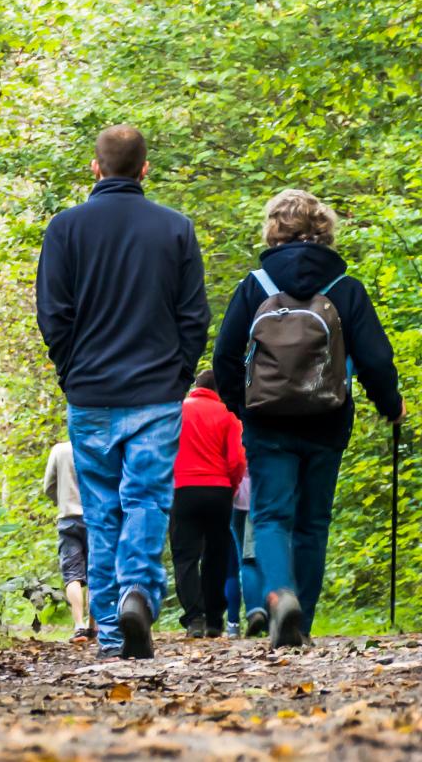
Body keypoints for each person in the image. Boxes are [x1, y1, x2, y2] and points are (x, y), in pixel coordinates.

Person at [37, 125, 210, 659]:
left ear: (95, 168)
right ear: (144, 169)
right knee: (147, 500)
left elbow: (53, 315)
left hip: (90, 394)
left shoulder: (64, 229)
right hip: (157, 394)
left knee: (102, 510)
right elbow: (194, 317)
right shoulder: (176, 229)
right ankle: (138, 590)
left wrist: (72, 371)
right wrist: (178, 377)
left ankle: (112, 633)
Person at [214, 189, 406, 647]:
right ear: (324, 229)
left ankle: (281, 595)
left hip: (268, 423)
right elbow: (375, 360)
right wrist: (390, 404)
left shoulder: (255, 285)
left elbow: (224, 355)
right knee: (313, 522)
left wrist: (241, 408)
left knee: (272, 517)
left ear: (273, 229)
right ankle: (304, 620)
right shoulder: (344, 288)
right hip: (327, 419)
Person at [170, 369, 246, 639]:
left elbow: (165, 449)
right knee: (217, 554)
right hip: (219, 491)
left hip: (183, 490)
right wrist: (231, 486)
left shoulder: (177, 411)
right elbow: (237, 460)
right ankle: (215, 618)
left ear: (196, 387)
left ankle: (195, 618)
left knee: (185, 556)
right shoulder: (227, 415)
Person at [44, 441, 96, 644]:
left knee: (73, 574)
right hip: (95, 518)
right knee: (95, 572)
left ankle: (79, 625)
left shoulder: (59, 450)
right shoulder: (97, 446)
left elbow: (48, 486)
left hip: (68, 520)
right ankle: (95, 626)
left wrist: (62, 501)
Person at [231, 471, 267, 637]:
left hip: (239, 497)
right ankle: (270, 616)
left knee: (247, 560)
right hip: (266, 493)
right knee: (266, 558)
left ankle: (255, 611)